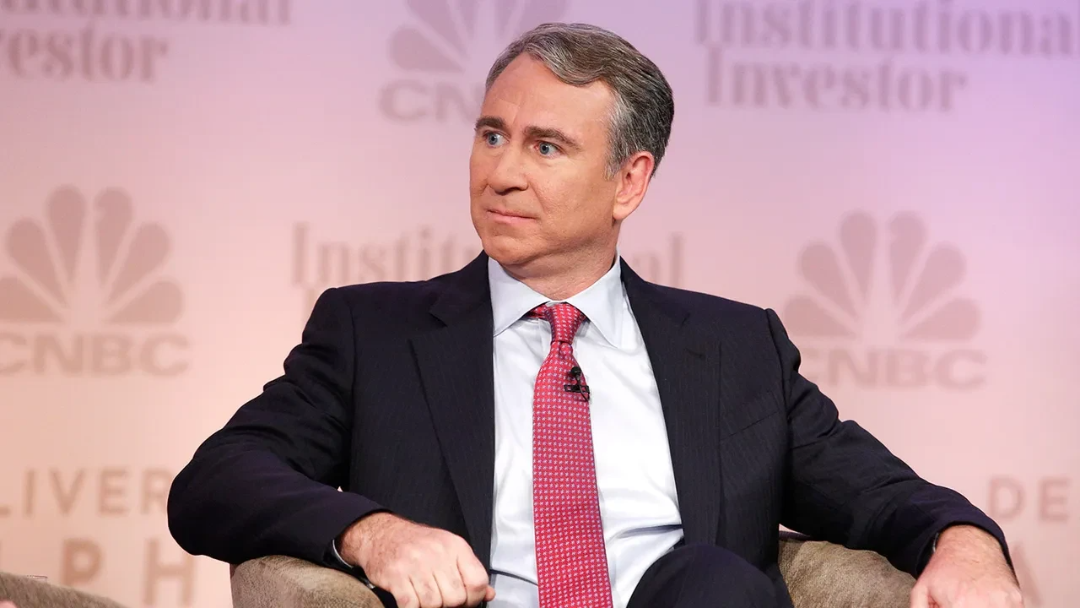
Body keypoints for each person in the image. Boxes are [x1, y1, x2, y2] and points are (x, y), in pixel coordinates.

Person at [168, 22, 1023, 608]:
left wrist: (967, 542)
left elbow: (878, 493)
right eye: (491, 134)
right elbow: (217, 480)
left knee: (714, 585)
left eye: (546, 147)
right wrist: (373, 531)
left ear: (629, 182)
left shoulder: (733, 349)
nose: (501, 172)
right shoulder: (375, 334)